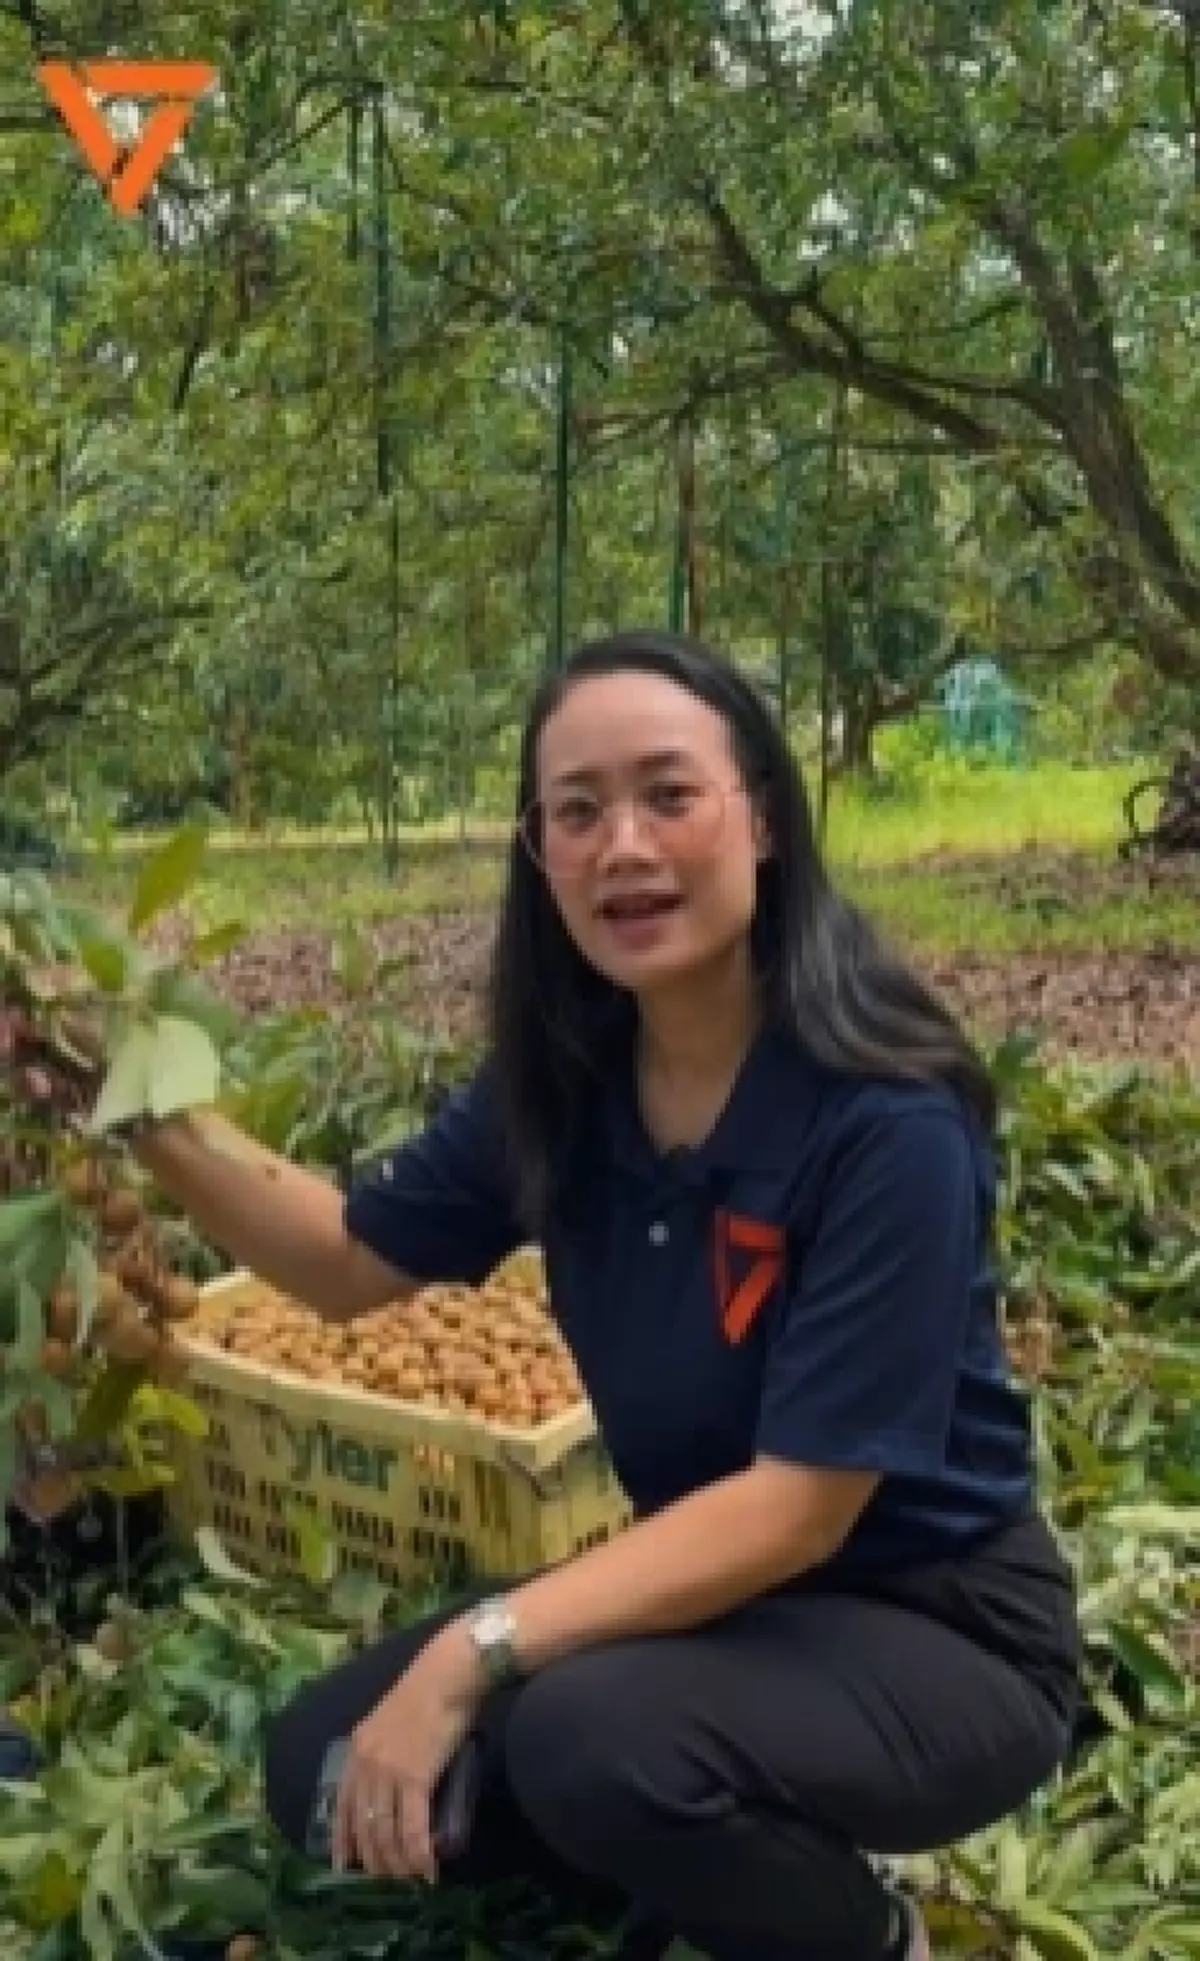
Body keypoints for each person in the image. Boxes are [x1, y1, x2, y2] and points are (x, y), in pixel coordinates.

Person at [101, 632, 1080, 1961]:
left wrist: (473, 1653)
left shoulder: (882, 1116)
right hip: (717, 1611)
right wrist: (128, 1104)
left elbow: (801, 1508)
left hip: (939, 1629)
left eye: (668, 795)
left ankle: (861, 1935)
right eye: (579, 811)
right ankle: (695, 1854)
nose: (623, 845)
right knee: (325, 1766)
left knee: (583, 1740)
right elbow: (342, 1261)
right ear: (539, 850)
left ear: (766, 818)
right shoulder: (565, 1083)